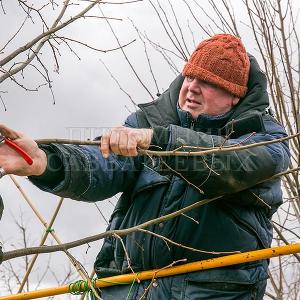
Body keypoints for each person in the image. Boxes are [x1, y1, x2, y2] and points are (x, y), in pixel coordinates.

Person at [0, 34, 290, 299]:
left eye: (209, 82)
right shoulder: (147, 122)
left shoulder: (265, 138)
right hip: (125, 287)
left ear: (235, 96)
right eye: (190, 76)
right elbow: (102, 165)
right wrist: (45, 162)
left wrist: (159, 140)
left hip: (212, 291)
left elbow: (233, 164)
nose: (192, 88)